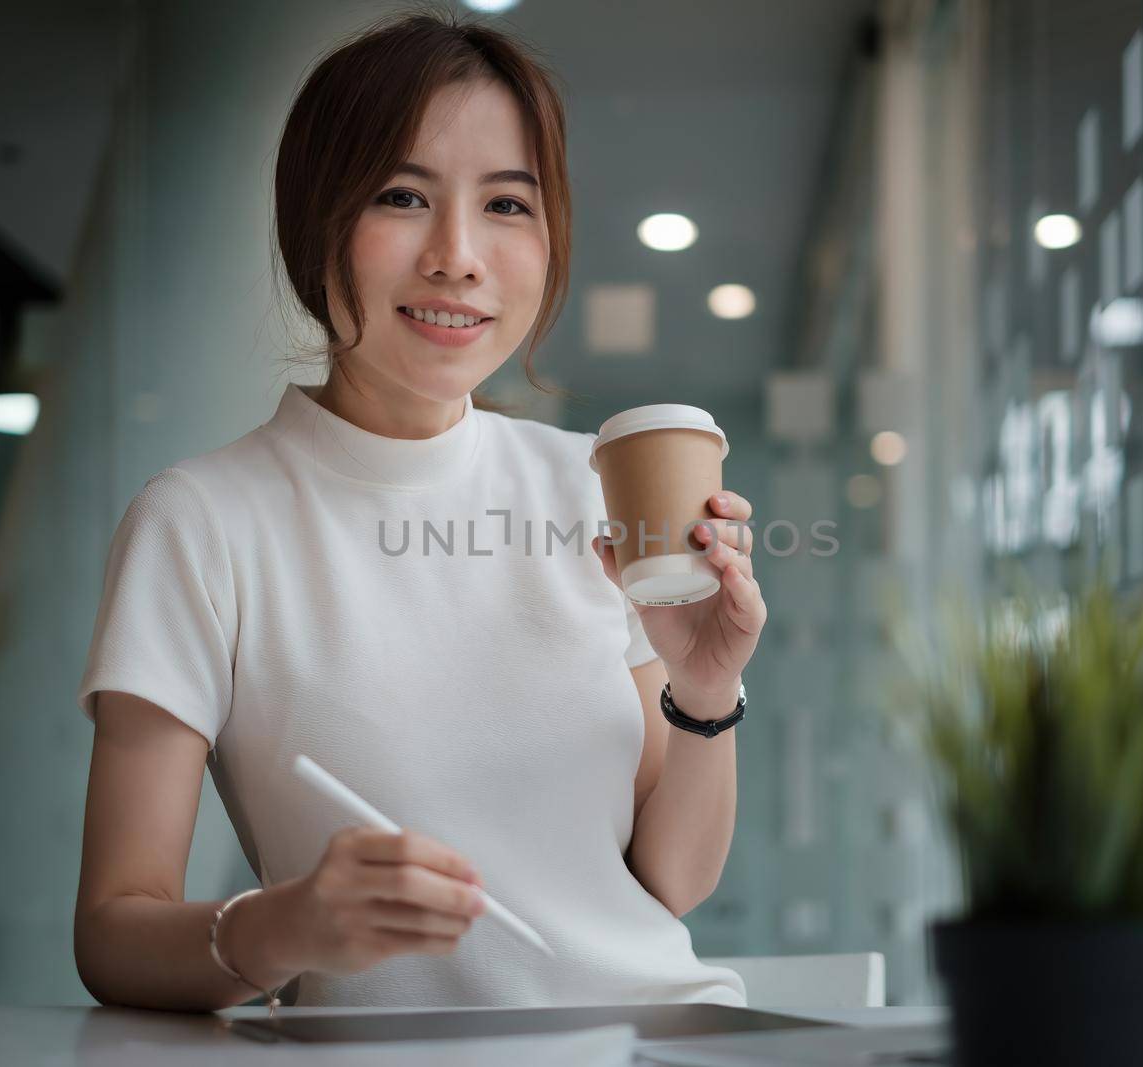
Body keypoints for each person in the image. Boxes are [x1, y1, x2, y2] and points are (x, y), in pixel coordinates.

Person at [71, 9, 767, 1012]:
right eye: (403, 197)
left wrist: (704, 691)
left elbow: (668, 882)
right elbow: (112, 930)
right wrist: (285, 924)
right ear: (315, 221)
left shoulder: (592, 485)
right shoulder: (201, 521)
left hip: (655, 1034)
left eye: (507, 205)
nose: (457, 255)